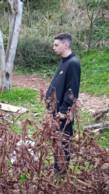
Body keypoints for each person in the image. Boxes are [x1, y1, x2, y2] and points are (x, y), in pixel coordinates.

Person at [45, 32, 81, 174]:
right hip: (55, 109)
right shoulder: (64, 61)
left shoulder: (73, 64)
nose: (54, 48)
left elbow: (72, 89)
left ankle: (62, 169)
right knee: (56, 137)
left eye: (56, 45)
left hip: (62, 112)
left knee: (64, 138)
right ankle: (57, 165)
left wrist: (64, 110)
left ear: (66, 45)